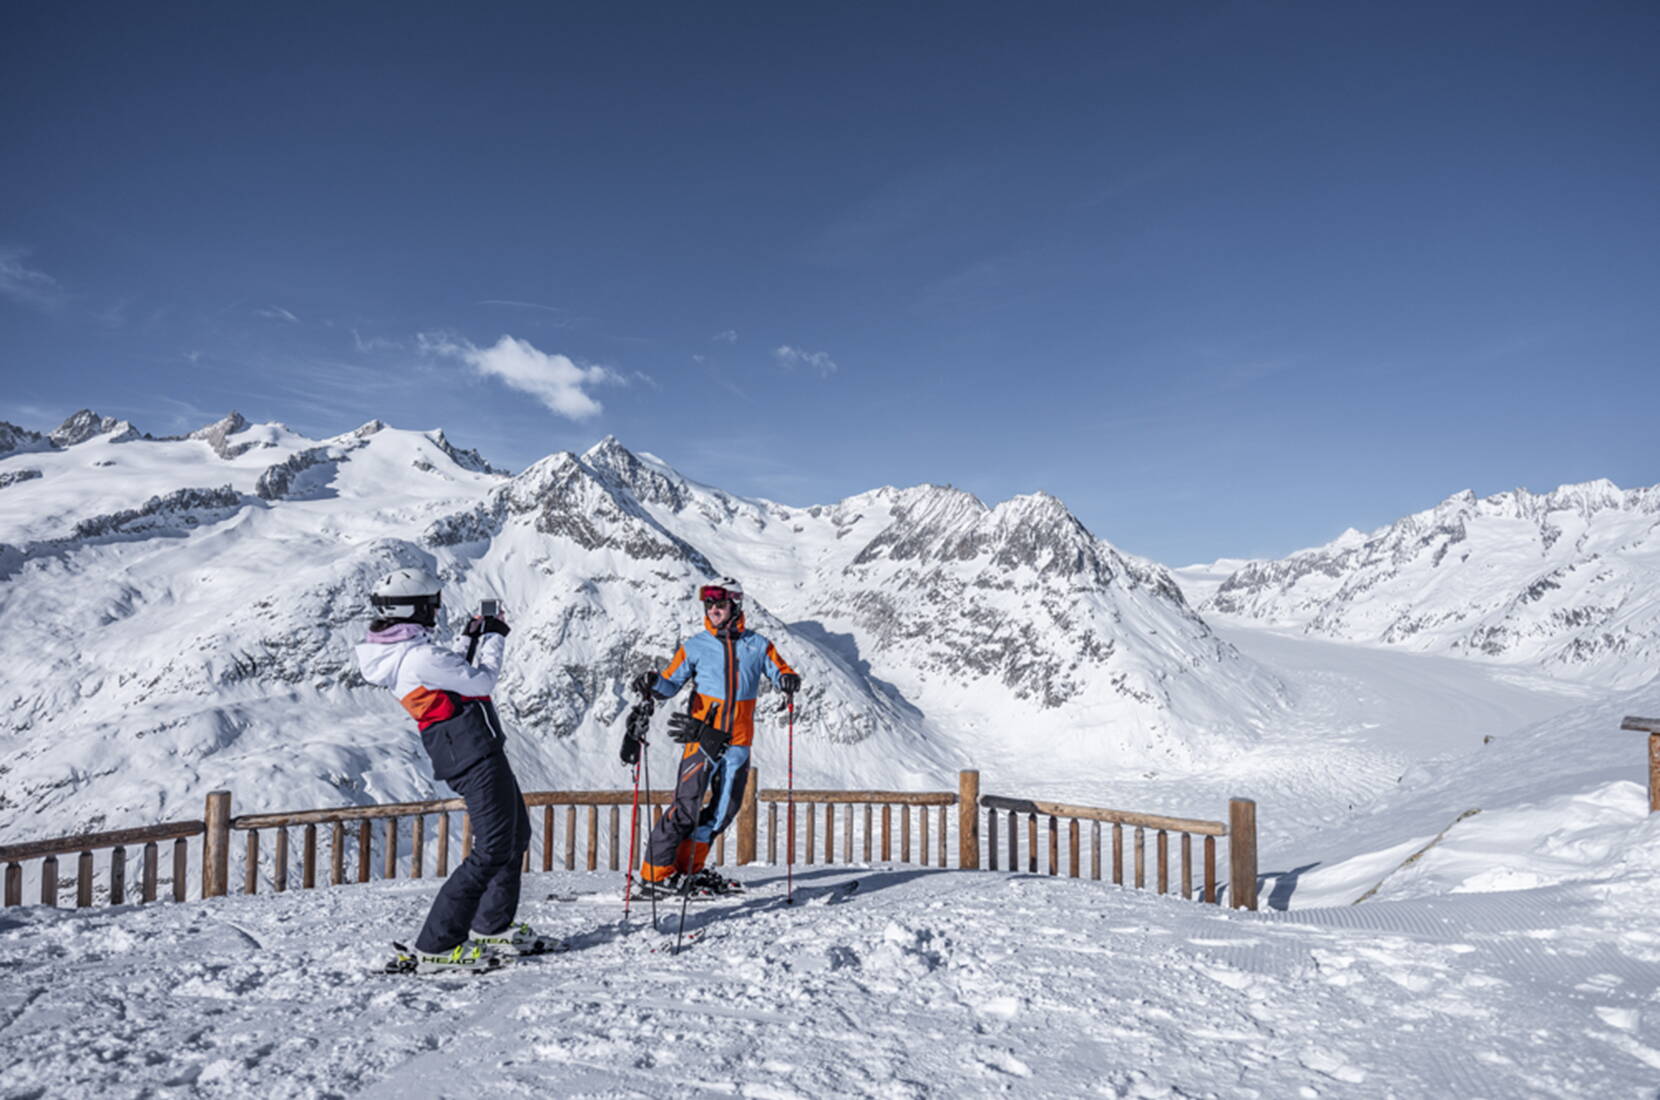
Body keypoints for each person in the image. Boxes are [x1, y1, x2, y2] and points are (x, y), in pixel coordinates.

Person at [354, 567, 545, 973]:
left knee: (515, 836)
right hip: (472, 755)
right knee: (492, 848)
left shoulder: (410, 651)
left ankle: (492, 926)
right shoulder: (420, 657)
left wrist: (468, 636)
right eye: (432, 604)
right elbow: (480, 682)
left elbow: (449, 667)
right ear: (416, 609)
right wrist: (494, 636)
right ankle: (438, 942)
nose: (437, 610)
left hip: (474, 749)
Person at [629, 577, 800, 898]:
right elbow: (668, 685)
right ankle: (655, 874)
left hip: (738, 743)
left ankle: (687, 870)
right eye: (709, 604)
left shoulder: (758, 645)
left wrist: (788, 678)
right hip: (702, 740)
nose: (713, 610)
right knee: (686, 808)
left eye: (720, 604)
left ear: (735, 605)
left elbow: (779, 670)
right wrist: (652, 683)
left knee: (724, 812)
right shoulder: (694, 646)